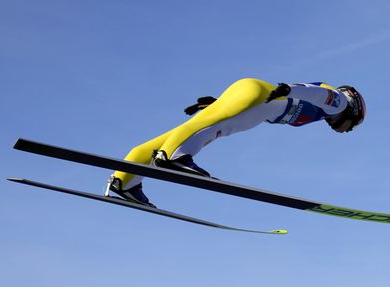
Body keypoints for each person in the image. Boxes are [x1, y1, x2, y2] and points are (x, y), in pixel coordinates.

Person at [105, 78, 365, 207]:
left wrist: (218, 102)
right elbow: (318, 94)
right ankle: (174, 156)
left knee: (181, 131)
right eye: (351, 126)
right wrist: (290, 91)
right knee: (216, 128)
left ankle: (125, 182)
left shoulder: (323, 109)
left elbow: (311, 93)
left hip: (249, 91)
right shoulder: (337, 102)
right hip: (261, 99)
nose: (345, 130)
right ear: (352, 110)